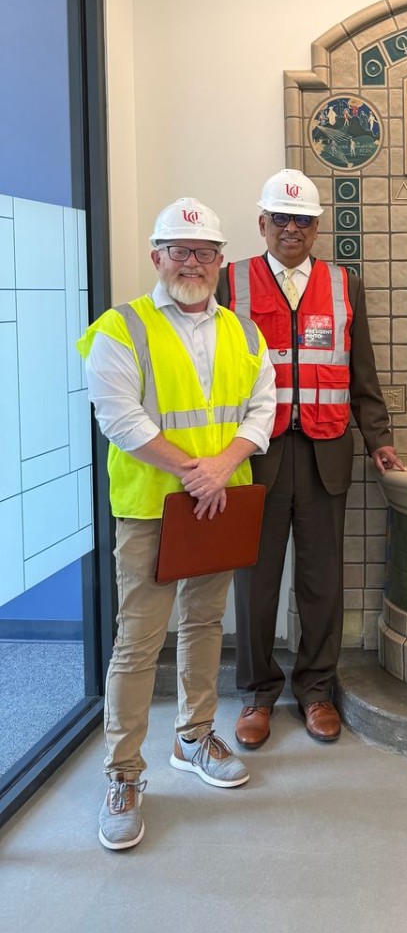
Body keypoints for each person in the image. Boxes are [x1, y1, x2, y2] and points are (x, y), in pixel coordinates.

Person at [78, 198, 276, 851]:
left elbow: (262, 409)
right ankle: (123, 774)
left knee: (204, 625)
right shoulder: (121, 327)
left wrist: (221, 469)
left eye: (205, 253)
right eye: (180, 251)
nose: (193, 263)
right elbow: (119, 418)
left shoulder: (244, 333)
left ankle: (193, 738)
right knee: (139, 644)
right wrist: (196, 471)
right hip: (151, 509)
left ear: (220, 261)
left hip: (219, 504)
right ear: (157, 257)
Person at [220, 169, 404, 750]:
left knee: (323, 581)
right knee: (255, 582)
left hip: (326, 451)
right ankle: (256, 693)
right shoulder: (231, 281)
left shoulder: (345, 284)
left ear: (317, 227)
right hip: (257, 454)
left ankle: (316, 690)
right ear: (262, 224)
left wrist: (378, 437)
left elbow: (361, 367)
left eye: (302, 220)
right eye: (281, 218)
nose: (292, 229)